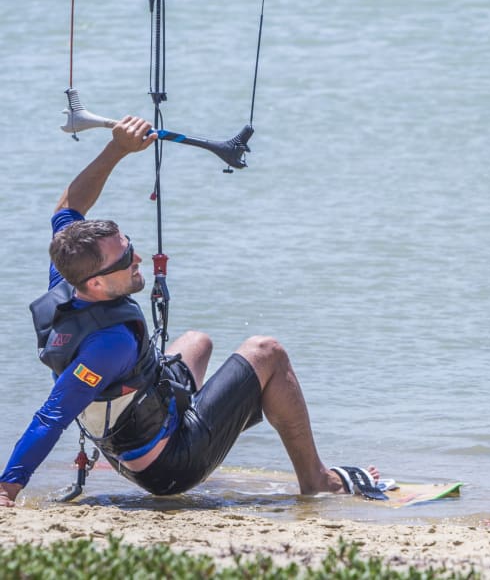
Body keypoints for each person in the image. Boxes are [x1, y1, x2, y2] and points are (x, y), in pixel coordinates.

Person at [0, 115, 382, 506]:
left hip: (135, 430)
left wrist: (117, 148)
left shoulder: (68, 276)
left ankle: (215, 418)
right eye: (126, 258)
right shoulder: (108, 344)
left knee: (197, 342)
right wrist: (8, 486)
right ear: (97, 283)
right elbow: (51, 417)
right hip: (168, 469)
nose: (138, 259)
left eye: (129, 246)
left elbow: (69, 206)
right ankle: (318, 480)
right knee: (267, 352)